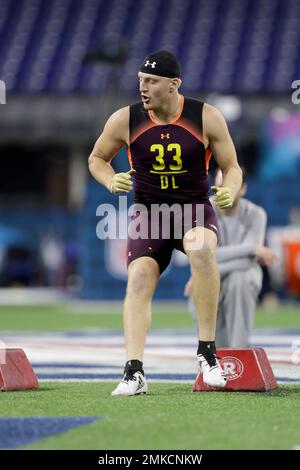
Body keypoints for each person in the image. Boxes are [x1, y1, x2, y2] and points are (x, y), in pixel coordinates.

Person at [88, 50, 243, 395]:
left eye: (152, 81)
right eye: (141, 80)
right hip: (149, 213)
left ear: (174, 85)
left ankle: (207, 353)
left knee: (202, 251)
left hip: (192, 210)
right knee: (139, 278)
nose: (143, 88)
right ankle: (134, 371)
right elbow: (97, 158)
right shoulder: (125, 119)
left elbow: (231, 166)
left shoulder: (205, 116)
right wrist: (110, 180)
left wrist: (230, 190)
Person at [184, 168, 277, 348]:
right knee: (206, 281)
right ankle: (211, 354)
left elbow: (247, 262)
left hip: (242, 275)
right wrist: (251, 248)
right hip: (210, 275)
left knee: (239, 279)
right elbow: (203, 255)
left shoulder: (256, 214)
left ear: (242, 189)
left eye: (229, 186)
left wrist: (206, 267)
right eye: (219, 185)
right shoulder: (203, 212)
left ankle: (240, 351)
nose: (222, 190)